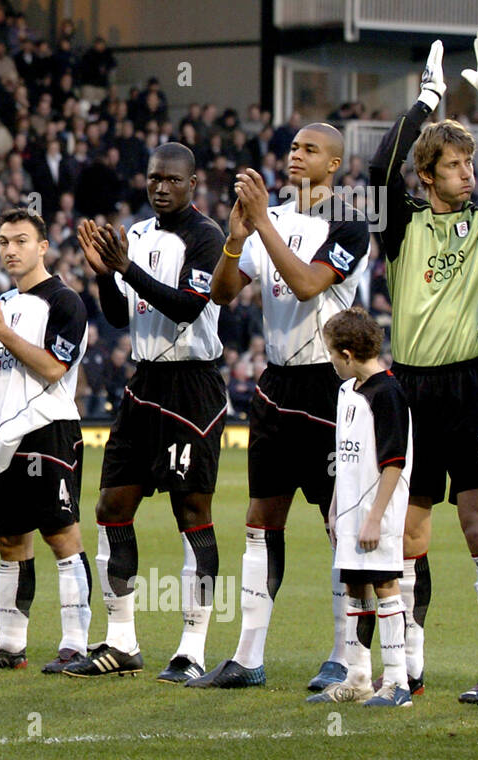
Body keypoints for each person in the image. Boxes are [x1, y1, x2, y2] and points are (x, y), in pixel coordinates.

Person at [369, 33, 478, 703]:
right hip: (408, 388)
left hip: (470, 384)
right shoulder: (401, 225)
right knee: (408, 533)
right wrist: (427, 100)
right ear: (428, 174)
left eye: (472, 161)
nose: (470, 172)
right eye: (456, 164)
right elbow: (381, 164)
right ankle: (407, 665)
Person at [194, 126, 370, 689]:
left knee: (338, 523)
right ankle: (248, 658)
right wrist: (234, 236)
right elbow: (221, 294)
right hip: (277, 387)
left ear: (335, 163)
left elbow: (305, 285)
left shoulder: (348, 223)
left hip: (331, 388)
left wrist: (263, 223)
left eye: (309, 149)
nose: (296, 155)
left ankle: (344, 655)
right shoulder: (272, 220)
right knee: (260, 520)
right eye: (293, 147)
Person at [66, 142, 228, 683]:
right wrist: (100, 274)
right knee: (112, 504)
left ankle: (192, 648)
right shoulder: (133, 233)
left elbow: (188, 307)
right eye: (154, 178)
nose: (161, 187)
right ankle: (121, 641)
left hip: (192, 386)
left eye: (172, 180)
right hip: (143, 384)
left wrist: (126, 268)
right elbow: (115, 315)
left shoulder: (207, 237)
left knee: (191, 514)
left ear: (193, 182)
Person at [0, 208, 93, 672]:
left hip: (48, 428)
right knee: (10, 540)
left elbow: (54, 368)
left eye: (20, 241)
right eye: (3, 242)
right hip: (4, 435)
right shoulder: (3, 305)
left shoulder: (65, 301)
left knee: (61, 534)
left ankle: (76, 643)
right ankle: (10, 646)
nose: (10, 250)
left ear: (42, 247)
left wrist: (0, 330)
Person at [307, 307, 414, 707]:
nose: (331, 361)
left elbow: (394, 462)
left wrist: (374, 517)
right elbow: (344, 453)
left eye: (332, 354)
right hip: (350, 512)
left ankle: (398, 683)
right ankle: (358, 679)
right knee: (354, 590)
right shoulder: (346, 391)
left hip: (376, 513)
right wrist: (336, 506)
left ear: (347, 354)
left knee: (386, 588)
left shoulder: (387, 393)